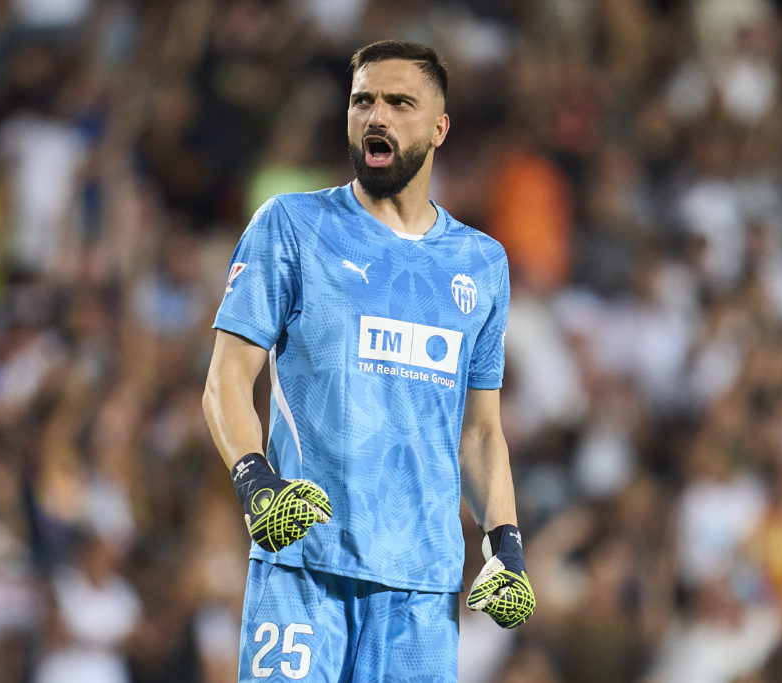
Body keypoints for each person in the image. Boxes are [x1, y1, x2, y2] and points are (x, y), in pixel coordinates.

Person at [201, 39, 535, 682]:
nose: (376, 116)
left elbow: (481, 430)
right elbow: (226, 380)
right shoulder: (292, 227)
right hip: (304, 567)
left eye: (399, 103)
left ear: (440, 128)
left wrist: (505, 544)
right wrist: (255, 481)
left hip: (421, 589)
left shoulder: (481, 264)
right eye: (363, 102)